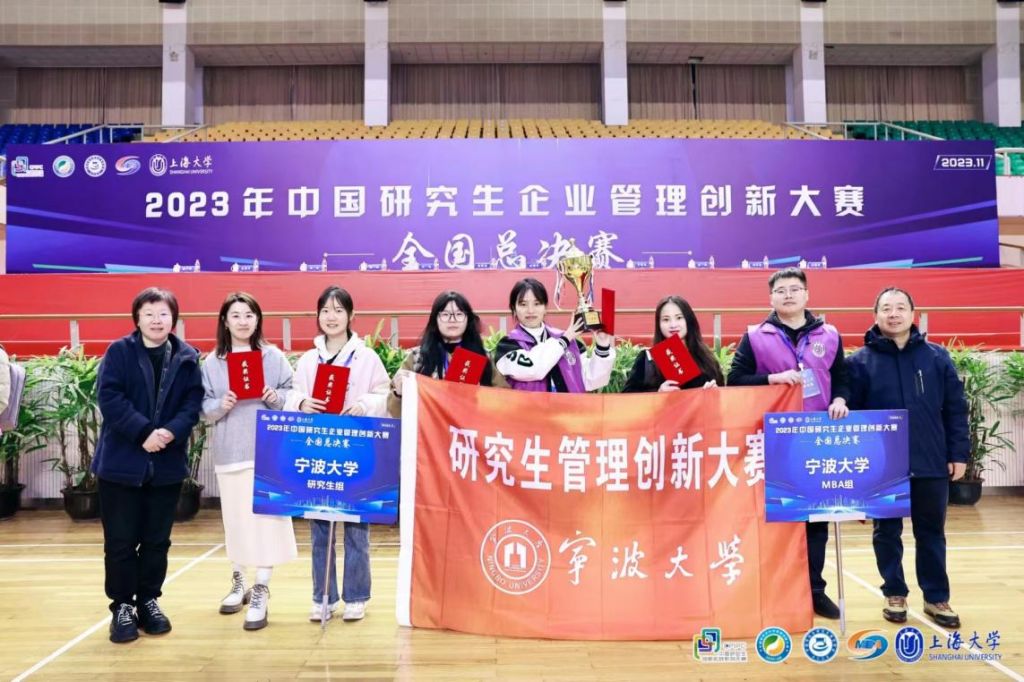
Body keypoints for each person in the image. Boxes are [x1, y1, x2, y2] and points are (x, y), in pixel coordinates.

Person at [727, 267, 850, 619]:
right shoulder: (755, 336)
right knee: (776, 520)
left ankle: (815, 590)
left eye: (795, 289)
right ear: (771, 298)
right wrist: (772, 378)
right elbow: (734, 380)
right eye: (781, 290)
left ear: (807, 294)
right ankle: (774, 590)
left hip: (817, 440)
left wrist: (840, 399)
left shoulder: (830, 334)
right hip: (773, 440)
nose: (788, 295)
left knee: (816, 520)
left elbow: (842, 376)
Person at [847, 287, 968, 629]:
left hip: (930, 459)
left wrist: (958, 454)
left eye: (900, 308)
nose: (894, 314)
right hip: (882, 465)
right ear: (875, 315)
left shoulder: (936, 357)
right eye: (886, 308)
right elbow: (851, 421)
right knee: (886, 532)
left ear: (913, 314)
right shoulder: (858, 362)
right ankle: (894, 593)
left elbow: (956, 409)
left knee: (931, 532)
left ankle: (936, 597)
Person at [92, 287, 203, 643]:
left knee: (157, 541)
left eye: (164, 314)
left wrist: (169, 432)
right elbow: (110, 397)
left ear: (174, 319)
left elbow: (192, 404)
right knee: (120, 542)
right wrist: (143, 433)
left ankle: (149, 601)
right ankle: (122, 606)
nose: (157, 320)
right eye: (149, 314)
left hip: (166, 465)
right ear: (137, 319)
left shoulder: (187, 357)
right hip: (121, 464)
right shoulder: (119, 352)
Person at [284, 286, 390, 623]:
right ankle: (323, 597)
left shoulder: (366, 357)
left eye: (338, 310)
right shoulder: (308, 359)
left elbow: (385, 394)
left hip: (356, 449)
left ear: (350, 315)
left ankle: (356, 597)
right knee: (320, 529)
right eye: (326, 311)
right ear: (318, 316)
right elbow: (292, 395)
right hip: (318, 449)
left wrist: (364, 404)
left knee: (357, 528)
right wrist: (302, 403)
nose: (331, 317)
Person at [201, 292, 297, 631]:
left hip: (269, 451)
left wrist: (275, 396)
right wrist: (221, 405)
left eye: (249, 315)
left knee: (268, 522)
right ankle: (239, 579)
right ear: (225, 321)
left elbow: (292, 393)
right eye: (236, 315)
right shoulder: (212, 362)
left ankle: (261, 588)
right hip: (231, 452)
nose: (243, 321)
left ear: (258, 320)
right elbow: (203, 407)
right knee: (236, 521)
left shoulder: (273, 356)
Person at [388, 290, 507, 417]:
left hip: (470, 427)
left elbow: (504, 398)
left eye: (459, 314)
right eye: (445, 314)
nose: (452, 320)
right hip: (429, 427)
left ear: (468, 319)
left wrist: (481, 396)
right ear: (435, 319)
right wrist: (398, 393)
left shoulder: (482, 356)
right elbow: (394, 410)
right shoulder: (417, 357)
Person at [494, 277, 615, 393]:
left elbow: (591, 380)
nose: (530, 310)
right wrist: (565, 339)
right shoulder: (508, 345)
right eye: (523, 304)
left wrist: (603, 347)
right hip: (529, 408)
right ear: (514, 309)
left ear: (545, 308)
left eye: (537, 303)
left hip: (568, 407)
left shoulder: (571, 343)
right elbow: (534, 369)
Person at [623, 295, 723, 392]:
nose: (673, 325)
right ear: (659, 324)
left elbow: (722, 390)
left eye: (679, 318)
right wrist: (657, 393)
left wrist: (714, 391)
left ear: (689, 320)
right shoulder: (647, 359)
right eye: (666, 319)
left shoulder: (706, 357)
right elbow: (627, 395)